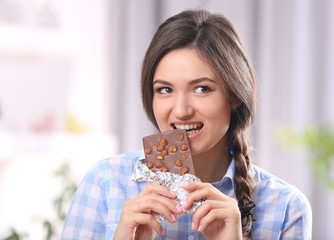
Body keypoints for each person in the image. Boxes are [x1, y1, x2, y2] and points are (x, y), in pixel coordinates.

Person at [61, 9, 312, 240]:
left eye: (202, 89)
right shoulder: (105, 183)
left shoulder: (286, 208)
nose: (180, 111)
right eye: (165, 89)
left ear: (234, 94)